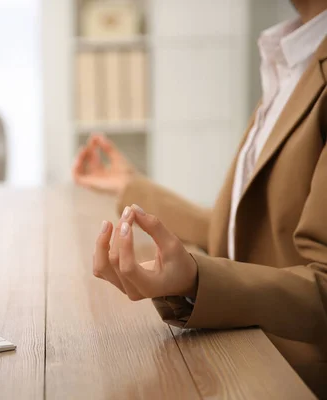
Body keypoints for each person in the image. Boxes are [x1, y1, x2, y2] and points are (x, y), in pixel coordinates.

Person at [73, 2, 327, 397]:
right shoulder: (293, 55)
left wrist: (195, 279)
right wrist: (131, 187)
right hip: (248, 351)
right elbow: (237, 234)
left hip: (289, 375)